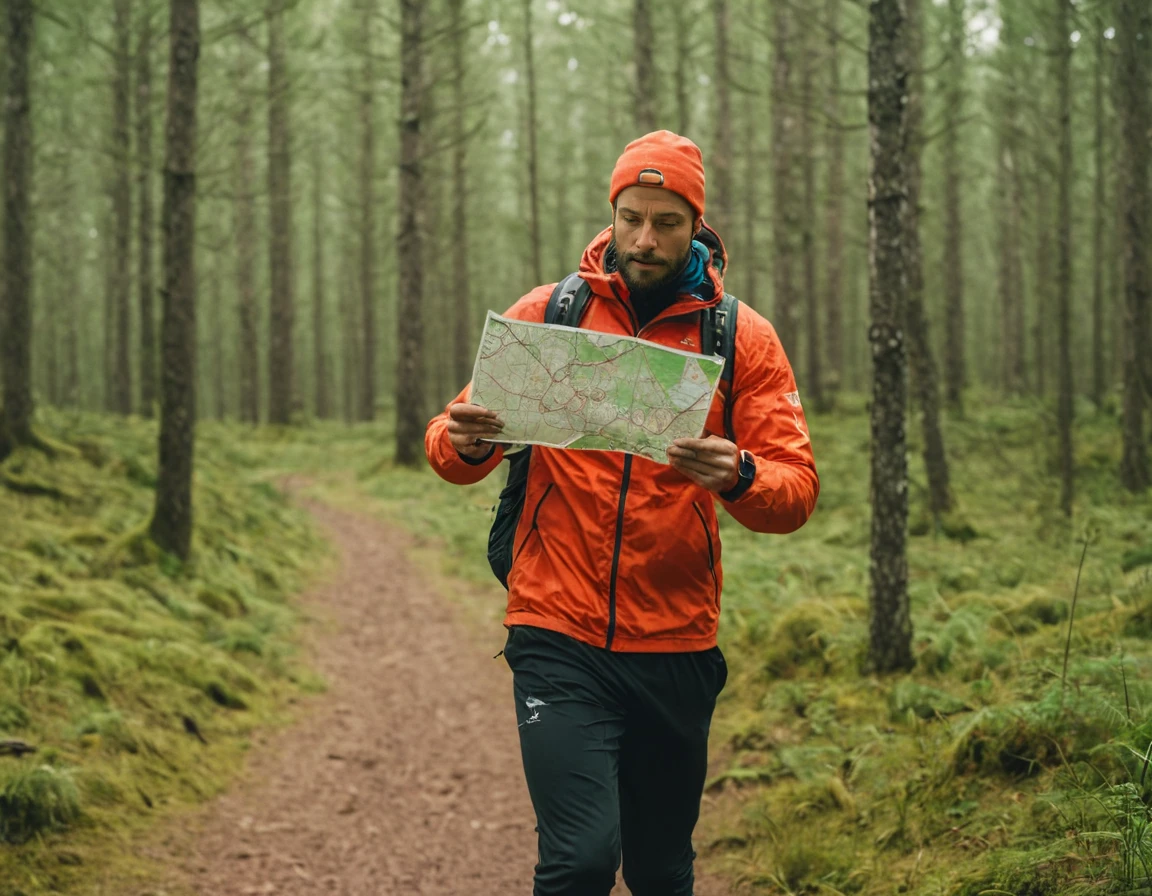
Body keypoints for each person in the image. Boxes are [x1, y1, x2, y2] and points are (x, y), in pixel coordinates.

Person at [424, 130, 819, 895]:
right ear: (612, 213)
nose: (645, 238)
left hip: (676, 642)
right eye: (632, 216)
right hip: (556, 630)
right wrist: (469, 443)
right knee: (578, 862)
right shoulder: (551, 314)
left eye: (667, 221)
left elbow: (795, 492)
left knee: (661, 872)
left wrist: (738, 474)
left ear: (696, 225)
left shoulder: (740, 337)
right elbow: (448, 442)